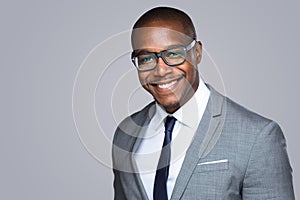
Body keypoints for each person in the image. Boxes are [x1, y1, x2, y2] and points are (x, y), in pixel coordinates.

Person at [112, 6, 295, 200]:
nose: (161, 70)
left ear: (197, 52)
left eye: (173, 54)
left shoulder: (258, 137)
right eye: (146, 58)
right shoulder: (126, 134)